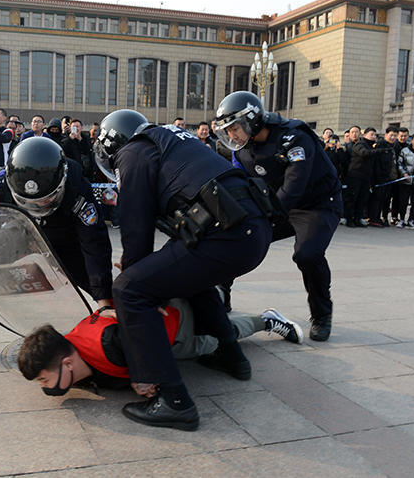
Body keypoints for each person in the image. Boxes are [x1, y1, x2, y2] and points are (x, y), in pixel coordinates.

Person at [94, 109, 272, 431]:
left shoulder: (132, 152)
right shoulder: (171, 138)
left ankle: (173, 399)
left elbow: (136, 225)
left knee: (129, 289)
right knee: (189, 279)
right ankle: (231, 356)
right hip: (250, 230)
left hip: (226, 235)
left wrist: (135, 276)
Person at [0, 136, 113, 365]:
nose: (39, 206)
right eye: (33, 201)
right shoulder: (3, 182)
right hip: (21, 230)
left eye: (45, 200)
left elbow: (95, 243)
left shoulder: (76, 187)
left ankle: (119, 326)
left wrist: (103, 299)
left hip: (64, 235)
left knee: (101, 287)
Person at [214, 91, 343, 342]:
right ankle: (221, 294)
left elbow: (294, 188)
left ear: (251, 120)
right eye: (227, 130)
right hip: (276, 202)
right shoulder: (241, 148)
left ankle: (321, 314)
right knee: (232, 236)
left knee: (308, 254)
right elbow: (240, 181)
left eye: (235, 128)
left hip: (317, 204)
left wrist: (264, 217)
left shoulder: (294, 137)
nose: (232, 135)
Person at [18, 304, 303, 396]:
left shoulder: (112, 345)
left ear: (67, 363)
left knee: (217, 337)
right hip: (154, 323)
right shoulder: (66, 347)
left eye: (43, 379)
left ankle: (267, 319)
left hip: (175, 326)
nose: (45, 387)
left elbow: (153, 346)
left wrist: (145, 378)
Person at [343, 127, 387, 228]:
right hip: (355, 176)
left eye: (375, 135)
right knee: (352, 198)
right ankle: (349, 219)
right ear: (365, 135)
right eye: (371, 134)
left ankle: (358, 218)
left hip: (366, 177)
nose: (373, 136)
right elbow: (364, 154)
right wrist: (380, 151)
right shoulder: (360, 144)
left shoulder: (372, 146)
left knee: (362, 199)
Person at [367, 127, 398, 227]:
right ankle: (373, 218)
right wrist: (378, 177)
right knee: (376, 199)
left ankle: (380, 217)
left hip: (389, 178)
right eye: (391, 135)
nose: (393, 137)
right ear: (386, 135)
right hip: (379, 178)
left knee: (384, 199)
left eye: (394, 135)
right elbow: (376, 163)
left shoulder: (394, 146)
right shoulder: (381, 145)